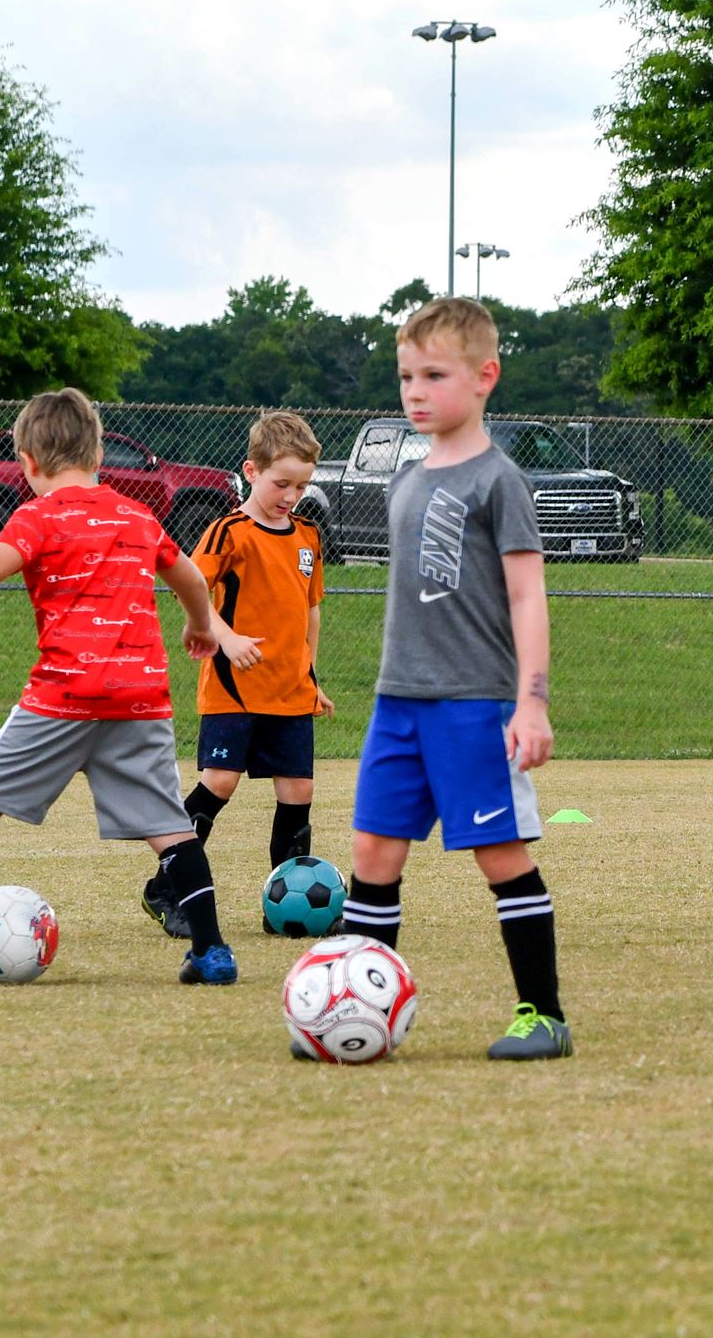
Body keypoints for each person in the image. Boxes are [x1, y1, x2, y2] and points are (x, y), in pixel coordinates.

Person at [0, 388, 253, 984]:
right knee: (170, 829)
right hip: (140, 699)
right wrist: (199, 624)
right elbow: (186, 572)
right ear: (99, 450)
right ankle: (211, 951)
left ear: (27, 460)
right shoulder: (137, 514)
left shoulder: (36, 516)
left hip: (62, 696)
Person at [344, 297, 572, 1059]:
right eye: (406, 374)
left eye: (434, 374)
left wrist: (531, 702)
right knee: (374, 853)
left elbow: (527, 595)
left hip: (474, 705)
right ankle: (354, 1012)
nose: (415, 390)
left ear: (484, 377)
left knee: (500, 855)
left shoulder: (499, 480)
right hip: (396, 703)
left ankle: (543, 1015)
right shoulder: (405, 480)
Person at [142, 410, 334, 941]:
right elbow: (191, 588)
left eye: (301, 485)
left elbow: (310, 610)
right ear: (251, 471)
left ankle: (285, 905)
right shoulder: (228, 530)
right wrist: (222, 637)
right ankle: (167, 887)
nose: (291, 494)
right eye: (281, 483)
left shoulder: (308, 538)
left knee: (298, 791)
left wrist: (311, 675)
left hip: (290, 690)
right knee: (219, 782)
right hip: (233, 688)